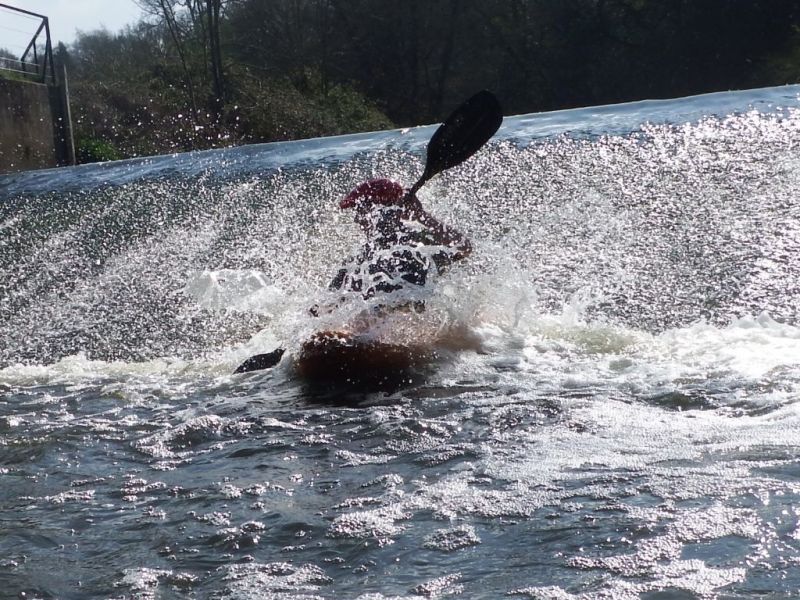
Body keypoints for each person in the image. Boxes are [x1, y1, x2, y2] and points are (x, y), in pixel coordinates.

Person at [314, 178, 472, 315]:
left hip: (418, 322)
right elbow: (329, 303)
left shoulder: (420, 243)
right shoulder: (359, 259)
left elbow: (464, 248)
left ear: (383, 210)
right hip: (380, 325)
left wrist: (421, 215)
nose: (357, 219)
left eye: (360, 210)